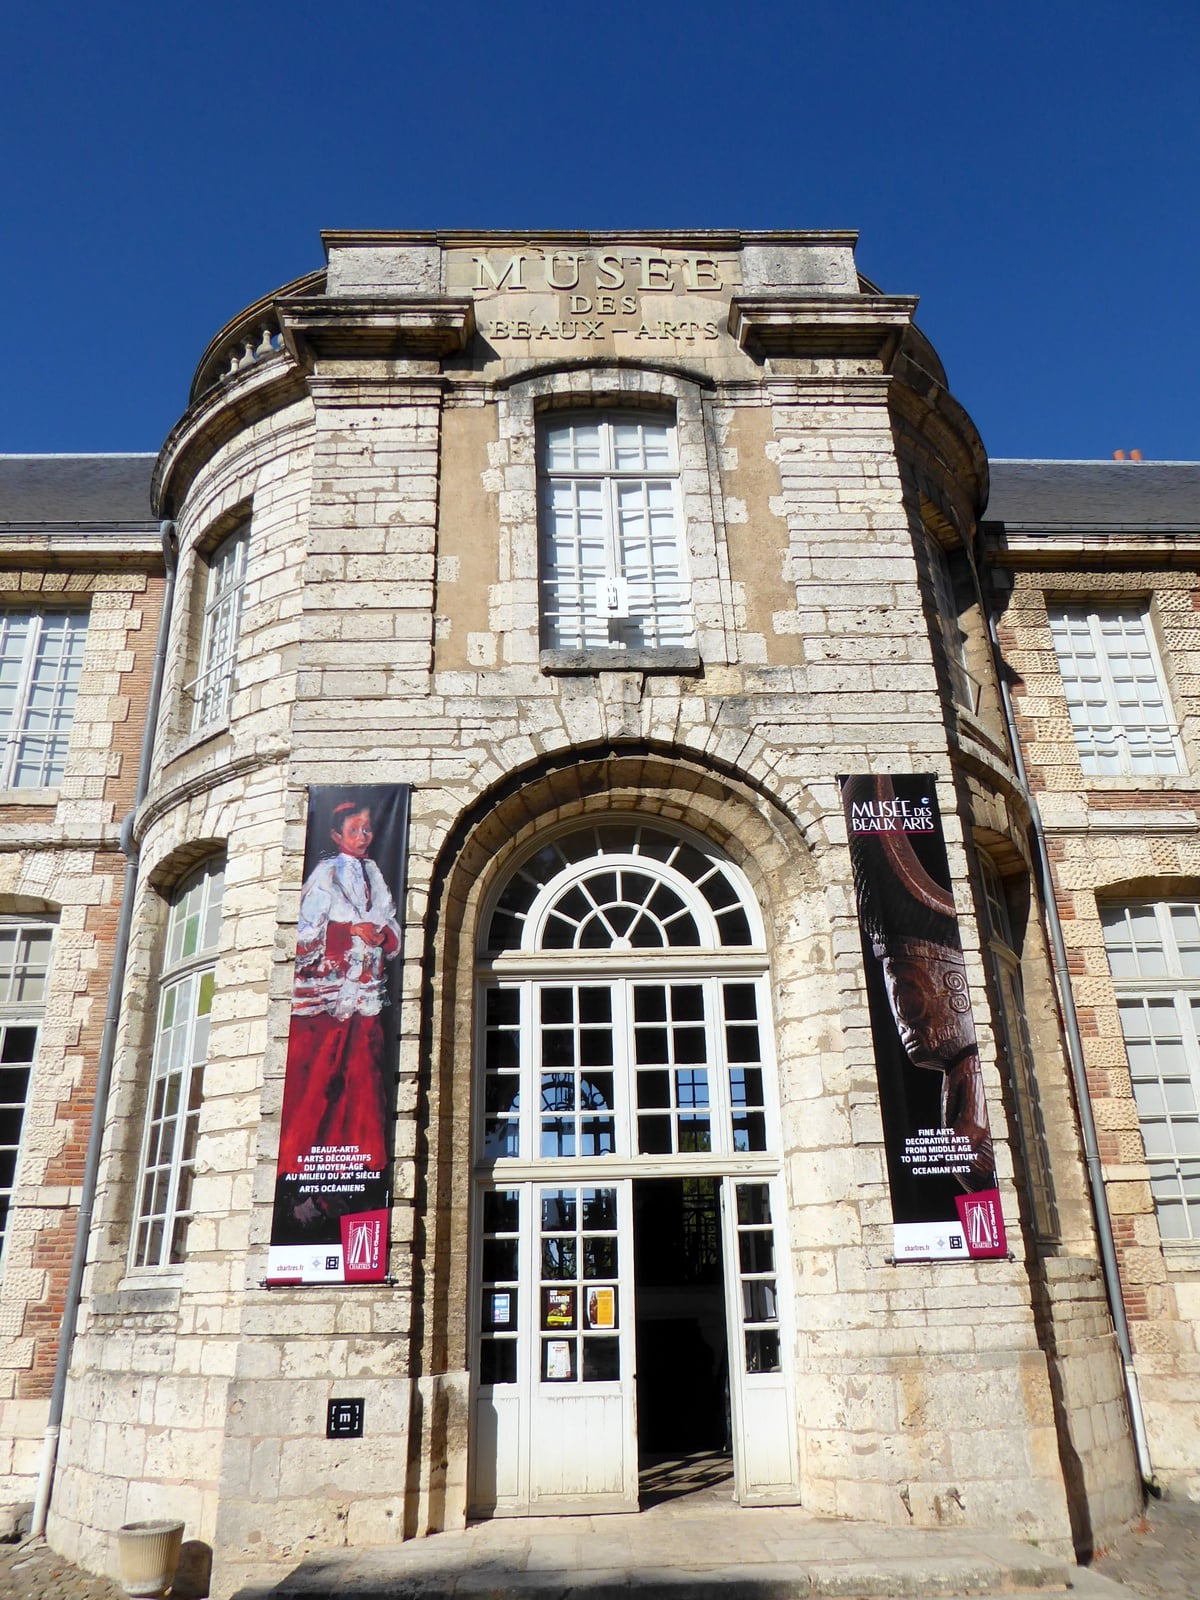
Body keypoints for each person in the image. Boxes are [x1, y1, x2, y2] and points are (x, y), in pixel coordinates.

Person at [276, 800, 401, 1181]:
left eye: (367, 829)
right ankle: (299, 1166)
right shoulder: (325, 874)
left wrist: (384, 935)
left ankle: (364, 1158)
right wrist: (349, 930)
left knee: (363, 1072)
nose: (363, 837)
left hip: (364, 989)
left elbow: (387, 914)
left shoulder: (374, 871)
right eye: (354, 831)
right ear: (335, 835)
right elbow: (304, 934)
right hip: (327, 997)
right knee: (319, 1076)